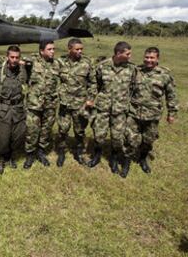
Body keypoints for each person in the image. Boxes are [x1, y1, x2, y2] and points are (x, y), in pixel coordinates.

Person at [124, 47, 178, 175]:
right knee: (130, 139)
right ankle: (126, 162)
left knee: (148, 140)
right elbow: (128, 89)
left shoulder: (165, 74)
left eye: (152, 58)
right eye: (147, 57)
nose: (148, 60)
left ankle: (142, 159)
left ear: (157, 59)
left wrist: (172, 113)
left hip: (153, 115)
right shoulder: (136, 71)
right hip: (134, 112)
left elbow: (172, 95)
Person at [88, 41, 137, 178]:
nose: (130, 56)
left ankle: (114, 159)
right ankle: (97, 156)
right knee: (99, 134)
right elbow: (95, 84)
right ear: (118, 53)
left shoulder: (131, 69)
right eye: (128, 53)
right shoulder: (102, 66)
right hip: (103, 107)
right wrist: (92, 99)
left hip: (120, 109)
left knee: (117, 137)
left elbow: (133, 88)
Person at [56, 38, 97, 166]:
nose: (80, 51)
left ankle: (78, 153)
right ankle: (61, 152)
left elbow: (93, 83)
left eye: (81, 49)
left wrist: (90, 99)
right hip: (64, 103)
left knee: (79, 130)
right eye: (77, 49)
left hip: (80, 104)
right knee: (63, 129)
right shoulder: (60, 62)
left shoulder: (87, 63)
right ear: (69, 49)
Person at [0, 45, 27, 174]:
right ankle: (1, 159)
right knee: (3, 136)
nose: (15, 60)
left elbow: (37, 60)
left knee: (18, 135)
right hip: (3, 109)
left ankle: (11, 156)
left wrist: (25, 61)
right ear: (7, 57)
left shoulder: (24, 69)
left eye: (17, 57)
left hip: (18, 108)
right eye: (12, 57)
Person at [23, 40, 59, 169]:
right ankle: (30, 154)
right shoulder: (32, 61)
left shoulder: (56, 64)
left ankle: (41, 151)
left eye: (53, 49)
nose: (52, 51)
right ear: (41, 51)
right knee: (32, 130)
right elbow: (18, 59)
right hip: (34, 104)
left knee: (46, 130)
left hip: (50, 103)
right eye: (49, 49)